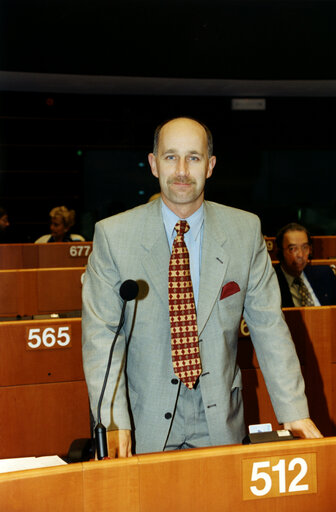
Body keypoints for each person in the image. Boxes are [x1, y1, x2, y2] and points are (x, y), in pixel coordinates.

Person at [82, 117, 322, 459]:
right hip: (142, 419)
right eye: (170, 157)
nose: (181, 169)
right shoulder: (113, 236)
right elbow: (101, 337)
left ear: (209, 166)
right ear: (153, 163)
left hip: (220, 417)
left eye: (193, 157)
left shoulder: (245, 230)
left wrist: (294, 413)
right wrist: (113, 421)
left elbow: (269, 328)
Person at [274, 222, 336, 307]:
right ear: (280, 252)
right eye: (292, 249)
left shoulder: (325, 274)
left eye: (304, 247)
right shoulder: (271, 282)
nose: (300, 255)